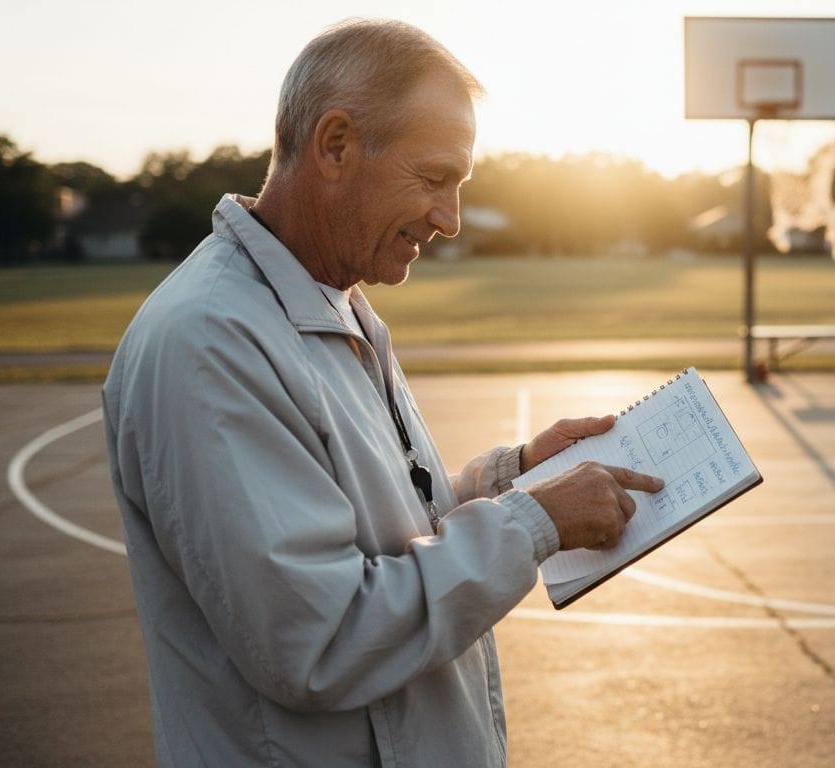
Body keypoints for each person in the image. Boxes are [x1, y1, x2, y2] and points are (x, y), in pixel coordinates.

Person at [102, 18, 662, 767]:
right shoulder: (211, 341)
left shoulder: (331, 298)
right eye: (433, 179)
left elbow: (379, 533)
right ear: (335, 146)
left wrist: (512, 474)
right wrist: (534, 523)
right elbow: (320, 636)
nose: (450, 220)